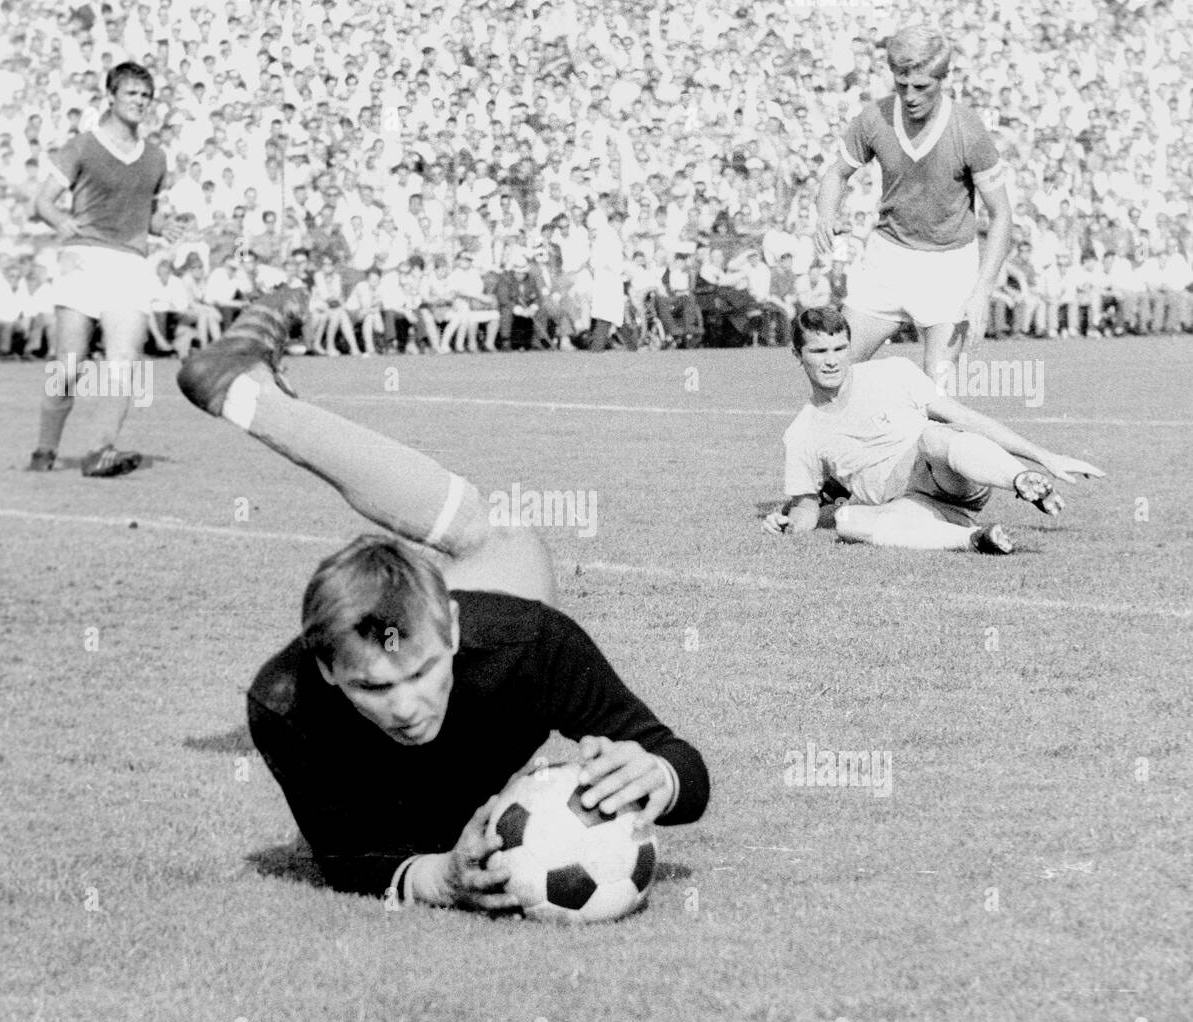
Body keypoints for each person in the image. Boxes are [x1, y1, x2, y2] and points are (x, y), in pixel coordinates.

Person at [174, 289, 709, 909]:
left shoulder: (529, 643)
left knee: (501, 533)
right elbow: (348, 858)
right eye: (373, 687)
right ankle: (250, 394)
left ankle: (251, 395)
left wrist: (657, 775)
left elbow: (682, 767)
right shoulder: (285, 701)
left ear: (452, 630)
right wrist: (437, 877)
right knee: (485, 531)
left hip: (486, 611)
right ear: (327, 670)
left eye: (423, 672)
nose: (406, 707)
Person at [761, 308, 1105, 555]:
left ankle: (1021, 481)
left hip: (949, 474)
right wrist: (786, 522)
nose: (832, 361)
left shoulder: (893, 372)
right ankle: (974, 539)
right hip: (909, 504)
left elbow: (965, 418)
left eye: (839, 349)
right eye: (819, 351)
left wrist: (1044, 457)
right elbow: (807, 509)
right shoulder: (802, 433)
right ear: (797, 354)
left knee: (932, 436)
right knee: (848, 520)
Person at [813, 27, 1013, 382]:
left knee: (936, 393)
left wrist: (982, 291)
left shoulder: (967, 129)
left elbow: (1001, 215)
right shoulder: (875, 117)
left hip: (949, 266)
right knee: (833, 375)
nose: (909, 96)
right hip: (888, 259)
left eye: (921, 86)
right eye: (901, 84)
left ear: (943, 78)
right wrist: (826, 214)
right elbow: (836, 174)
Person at [27, 61, 171, 477]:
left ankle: (100, 451)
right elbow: (43, 201)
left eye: (146, 96)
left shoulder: (156, 157)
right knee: (69, 368)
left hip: (130, 264)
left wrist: (164, 226)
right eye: (131, 94)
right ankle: (45, 448)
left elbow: (146, 213)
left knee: (124, 361)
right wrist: (60, 221)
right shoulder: (82, 146)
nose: (140, 102)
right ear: (111, 97)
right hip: (84, 260)